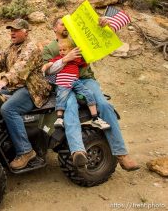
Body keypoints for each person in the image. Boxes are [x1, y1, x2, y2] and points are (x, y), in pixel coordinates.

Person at [42, 17, 140, 171]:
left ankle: (121, 153)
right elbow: (47, 72)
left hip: (86, 80)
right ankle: (77, 151)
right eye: (62, 24)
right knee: (70, 108)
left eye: (67, 23)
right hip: (64, 83)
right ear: (54, 28)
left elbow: (99, 40)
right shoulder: (49, 48)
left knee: (104, 105)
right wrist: (65, 60)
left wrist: (103, 25)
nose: (66, 26)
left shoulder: (78, 39)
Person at [0, 19, 51, 170]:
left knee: (9, 109)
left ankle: (26, 151)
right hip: (17, 87)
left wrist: (5, 80)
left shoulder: (31, 48)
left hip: (33, 89)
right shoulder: (11, 48)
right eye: (11, 29)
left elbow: (21, 68)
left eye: (16, 29)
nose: (12, 32)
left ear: (26, 32)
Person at [42, 38, 110, 130]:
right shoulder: (59, 58)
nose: (61, 52)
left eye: (64, 50)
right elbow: (50, 64)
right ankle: (59, 118)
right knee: (61, 97)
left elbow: (86, 61)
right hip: (64, 82)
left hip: (75, 81)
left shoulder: (76, 58)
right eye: (60, 50)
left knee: (89, 94)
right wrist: (44, 67)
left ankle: (95, 117)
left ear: (70, 50)